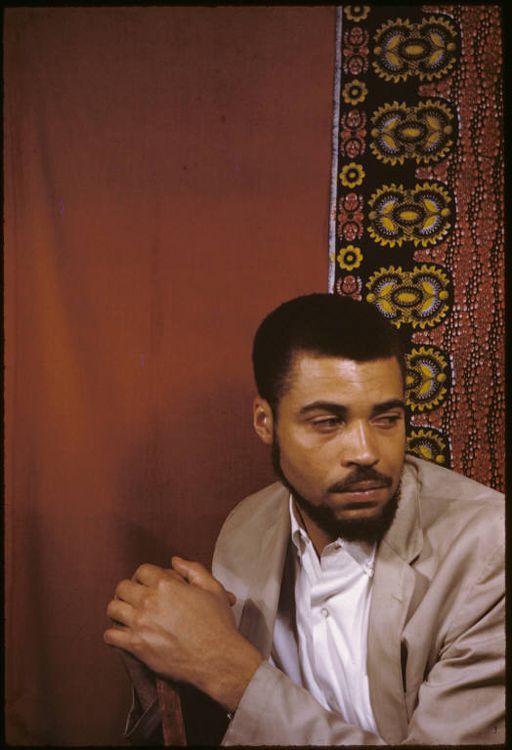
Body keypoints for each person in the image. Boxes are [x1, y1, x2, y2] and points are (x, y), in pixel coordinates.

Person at [104, 293, 505, 745]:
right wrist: (172, 649)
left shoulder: (490, 549)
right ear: (264, 422)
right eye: (328, 422)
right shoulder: (245, 530)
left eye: (387, 418)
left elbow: (239, 686)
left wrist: (230, 669)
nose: (366, 452)